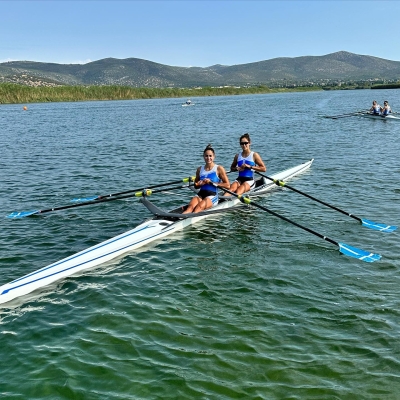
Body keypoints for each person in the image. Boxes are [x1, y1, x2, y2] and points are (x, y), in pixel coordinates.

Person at [183, 144, 230, 213]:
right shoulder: (199, 169)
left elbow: (228, 185)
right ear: (203, 157)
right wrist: (199, 184)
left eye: (210, 156)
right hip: (201, 194)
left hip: (212, 195)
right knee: (190, 207)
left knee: (198, 208)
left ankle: (189, 218)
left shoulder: (219, 169)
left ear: (214, 156)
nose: (208, 158)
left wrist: (211, 182)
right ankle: (180, 219)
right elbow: (196, 186)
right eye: (206, 156)